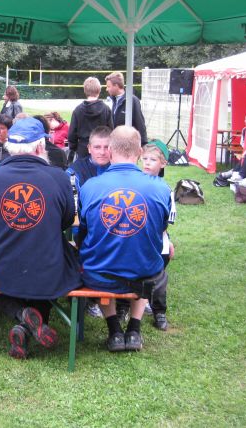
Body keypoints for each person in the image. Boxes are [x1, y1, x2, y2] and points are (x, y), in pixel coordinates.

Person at [0, 117, 81, 359]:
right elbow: (67, 220)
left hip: (3, 269)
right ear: (40, 146)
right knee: (51, 266)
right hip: (49, 270)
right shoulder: (58, 177)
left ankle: (22, 317)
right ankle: (31, 321)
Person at [77, 126, 171, 352]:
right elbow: (161, 228)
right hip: (146, 274)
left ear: (110, 151)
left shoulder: (90, 187)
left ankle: (115, 331)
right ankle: (134, 330)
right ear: (139, 152)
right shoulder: (160, 188)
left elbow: (84, 229)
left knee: (96, 256)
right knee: (147, 259)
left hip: (99, 276)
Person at [66, 126, 112, 318]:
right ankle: (88, 298)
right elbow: (73, 209)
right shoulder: (75, 171)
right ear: (89, 148)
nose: (102, 152)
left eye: (106, 147)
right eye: (97, 147)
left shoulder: (119, 168)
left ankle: (124, 299)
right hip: (83, 227)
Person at [140, 142, 176, 330]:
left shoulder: (166, 190)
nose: (147, 163)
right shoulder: (134, 184)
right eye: (144, 158)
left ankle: (159, 311)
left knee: (159, 277)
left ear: (163, 163)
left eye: (152, 159)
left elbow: (165, 222)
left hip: (156, 240)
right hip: (136, 238)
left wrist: (167, 241)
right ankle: (124, 306)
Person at [68, 77, 113, 159]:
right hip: (101, 149)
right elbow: (111, 131)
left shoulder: (78, 110)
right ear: (99, 90)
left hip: (83, 149)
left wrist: (73, 147)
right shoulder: (106, 109)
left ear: (85, 90)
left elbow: (72, 134)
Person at [105, 72, 148, 146]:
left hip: (129, 144)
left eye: (108, 86)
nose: (106, 89)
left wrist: (144, 144)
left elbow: (140, 123)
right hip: (117, 143)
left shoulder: (132, 100)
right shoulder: (114, 100)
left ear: (116, 86)